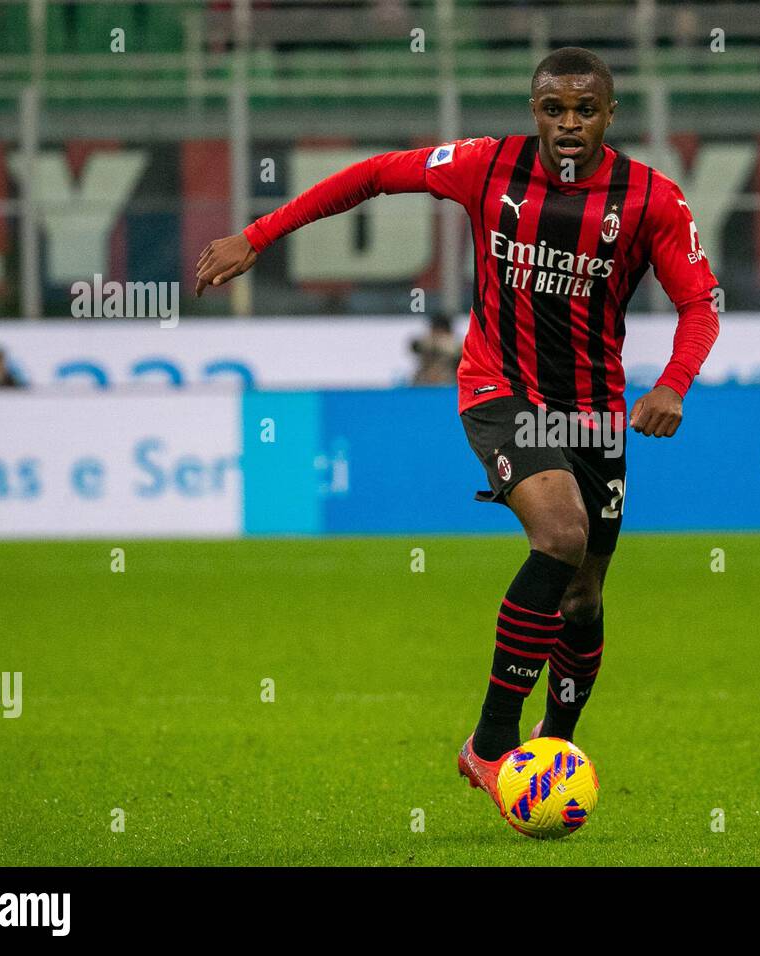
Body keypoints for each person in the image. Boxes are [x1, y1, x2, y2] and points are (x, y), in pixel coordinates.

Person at [194, 47, 720, 810]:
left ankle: (556, 749)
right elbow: (373, 174)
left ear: (610, 113)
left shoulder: (651, 199)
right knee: (562, 535)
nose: (568, 123)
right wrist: (260, 233)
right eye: (553, 108)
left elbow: (700, 303)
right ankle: (492, 745)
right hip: (498, 388)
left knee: (584, 597)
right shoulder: (483, 166)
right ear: (533, 109)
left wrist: (674, 385)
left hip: (595, 408)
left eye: (584, 109)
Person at [409, 313, 462, 385]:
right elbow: (415, 346)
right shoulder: (428, 342)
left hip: (448, 383)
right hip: (423, 383)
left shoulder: (454, 344)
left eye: (440, 332)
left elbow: (458, 352)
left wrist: (443, 345)